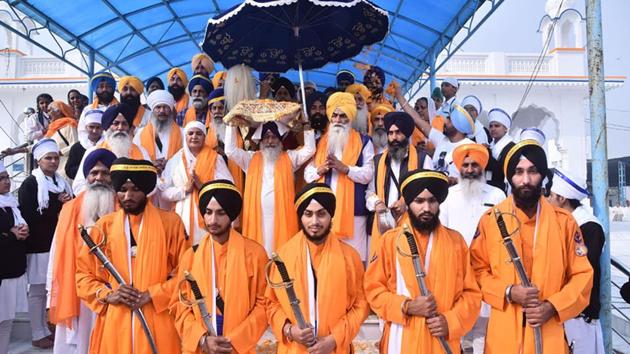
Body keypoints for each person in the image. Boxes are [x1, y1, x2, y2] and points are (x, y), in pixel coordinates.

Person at [470, 140, 594, 353]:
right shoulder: (491, 220)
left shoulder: (564, 222)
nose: (525, 180)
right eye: (518, 172)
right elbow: (475, 272)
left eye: (533, 171)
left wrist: (553, 306)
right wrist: (508, 291)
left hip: (549, 333)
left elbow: (583, 276)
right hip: (504, 336)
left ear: (543, 176)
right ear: (510, 177)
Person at [76, 158, 189, 354]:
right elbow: (83, 275)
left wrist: (152, 294)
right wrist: (108, 294)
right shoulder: (104, 226)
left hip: (159, 316)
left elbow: (186, 274)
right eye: (123, 190)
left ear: (146, 191)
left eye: (135, 189)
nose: (128, 195)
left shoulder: (171, 223)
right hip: (116, 319)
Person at [364, 169, 482, 352]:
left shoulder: (456, 242)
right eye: (419, 201)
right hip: (401, 341)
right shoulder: (389, 241)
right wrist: (406, 306)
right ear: (408, 203)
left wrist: (450, 321)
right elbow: (374, 290)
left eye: (432, 201)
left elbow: (471, 294)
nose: (426, 208)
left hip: (441, 340)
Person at [265, 183, 369, 353]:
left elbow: (361, 305)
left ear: (331, 216)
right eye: (308, 214)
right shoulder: (283, 256)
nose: (314, 222)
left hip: (336, 349)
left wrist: (334, 339)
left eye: (321, 214)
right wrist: (289, 330)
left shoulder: (350, 257)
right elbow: (270, 303)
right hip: (294, 349)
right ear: (301, 217)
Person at [171, 180, 268, 354]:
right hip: (203, 345)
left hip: (240, 345)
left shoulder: (255, 254)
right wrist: (201, 339)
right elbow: (180, 305)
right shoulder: (191, 256)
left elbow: (265, 304)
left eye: (221, 213)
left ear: (231, 215)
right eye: (208, 212)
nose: (213, 220)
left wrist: (236, 340)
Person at [47, 148, 117, 354]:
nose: (99, 178)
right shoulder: (69, 209)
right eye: (94, 173)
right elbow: (56, 250)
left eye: (105, 173)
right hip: (76, 288)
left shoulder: (121, 205)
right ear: (86, 176)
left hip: (110, 289)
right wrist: (53, 291)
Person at [438, 143, 505, 354]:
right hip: (456, 271)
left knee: (483, 330)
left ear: (482, 167)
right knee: (456, 324)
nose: (469, 169)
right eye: (465, 165)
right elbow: (441, 234)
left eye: (474, 164)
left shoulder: (497, 196)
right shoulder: (448, 196)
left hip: (486, 270)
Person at [226, 121, 316, 255]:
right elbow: (230, 150)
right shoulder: (250, 159)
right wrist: (231, 125)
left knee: (282, 253)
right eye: (266, 137)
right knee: (259, 252)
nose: (270, 141)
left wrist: (308, 130)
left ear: (280, 140)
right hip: (257, 219)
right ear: (261, 141)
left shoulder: (290, 158)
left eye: (274, 137)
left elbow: (310, 150)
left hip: (283, 219)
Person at [304, 92, 375, 262]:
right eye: (334, 115)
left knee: (354, 260)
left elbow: (368, 174)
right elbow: (308, 174)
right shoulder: (320, 141)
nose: (337, 120)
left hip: (354, 215)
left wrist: (346, 169)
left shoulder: (364, 141)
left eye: (343, 116)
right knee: (326, 259)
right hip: (324, 212)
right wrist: (320, 170)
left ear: (350, 117)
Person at [18, 139, 73, 349]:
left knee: (52, 288)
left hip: (57, 243)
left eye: (55, 158)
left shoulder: (61, 182)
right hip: (39, 245)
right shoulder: (30, 184)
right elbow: (30, 215)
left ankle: (47, 325)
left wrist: (67, 202)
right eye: (48, 158)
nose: (52, 162)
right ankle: (37, 332)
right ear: (39, 161)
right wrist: (58, 206)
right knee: (39, 290)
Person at [548, 168, 605, 354]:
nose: (547, 201)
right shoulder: (565, 223)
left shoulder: (589, 227)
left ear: (562, 199)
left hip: (580, 316)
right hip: (562, 311)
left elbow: (583, 271)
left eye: (551, 196)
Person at [366, 112, 432, 256]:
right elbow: (369, 192)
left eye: (398, 133)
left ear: (407, 135)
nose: (394, 138)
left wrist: (406, 202)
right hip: (383, 224)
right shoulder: (377, 161)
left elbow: (428, 193)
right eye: (390, 133)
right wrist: (377, 203)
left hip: (412, 225)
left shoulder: (422, 160)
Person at [160, 121, 232, 244]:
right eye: (190, 133)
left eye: (199, 133)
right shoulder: (174, 161)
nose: (194, 137)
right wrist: (183, 190)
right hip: (182, 215)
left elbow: (228, 188)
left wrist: (203, 187)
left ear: (205, 137)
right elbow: (163, 192)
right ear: (185, 136)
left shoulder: (216, 158)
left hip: (210, 216)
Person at [72, 103, 150, 194]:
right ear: (107, 127)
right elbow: (78, 186)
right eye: (115, 123)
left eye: (124, 124)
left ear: (130, 128)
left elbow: (150, 182)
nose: (120, 128)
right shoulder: (93, 151)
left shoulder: (142, 152)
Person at [0, 159, 29, 354]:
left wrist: (24, 231)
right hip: (2, 273)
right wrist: (12, 235)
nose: (7, 181)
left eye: (7, 177)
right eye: (1, 178)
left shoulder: (11, 203)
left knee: (6, 319)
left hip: (12, 270)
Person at [134, 90, 183, 176]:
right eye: (158, 107)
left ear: (171, 110)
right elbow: (135, 156)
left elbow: (187, 156)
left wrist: (170, 163)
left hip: (174, 178)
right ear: (153, 111)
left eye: (165, 107)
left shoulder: (183, 132)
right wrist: (150, 163)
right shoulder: (140, 133)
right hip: (148, 178)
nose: (162, 111)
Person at [65, 109, 104, 180]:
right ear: (86, 127)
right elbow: (69, 170)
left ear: (103, 128)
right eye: (91, 127)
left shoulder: (108, 145)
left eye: (98, 127)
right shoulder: (77, 147)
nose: (94, 131)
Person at [45, 100, 79, 177]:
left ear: (58, 112)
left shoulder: (70, 125)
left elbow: (75, 145)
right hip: (54, 169)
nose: (48, 114)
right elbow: (43, 143)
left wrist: (59, 153)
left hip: (65, 169)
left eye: (49, 110)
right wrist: (22, 150)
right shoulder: (52, 129)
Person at [486, 108, 515, 192]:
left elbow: (502, 170)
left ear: (505, 129)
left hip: (502, 189)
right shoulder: (490, 146)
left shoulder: (512, 148)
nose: (493, 129)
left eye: (497, 126)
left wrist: (487, 153)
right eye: (491, 126)